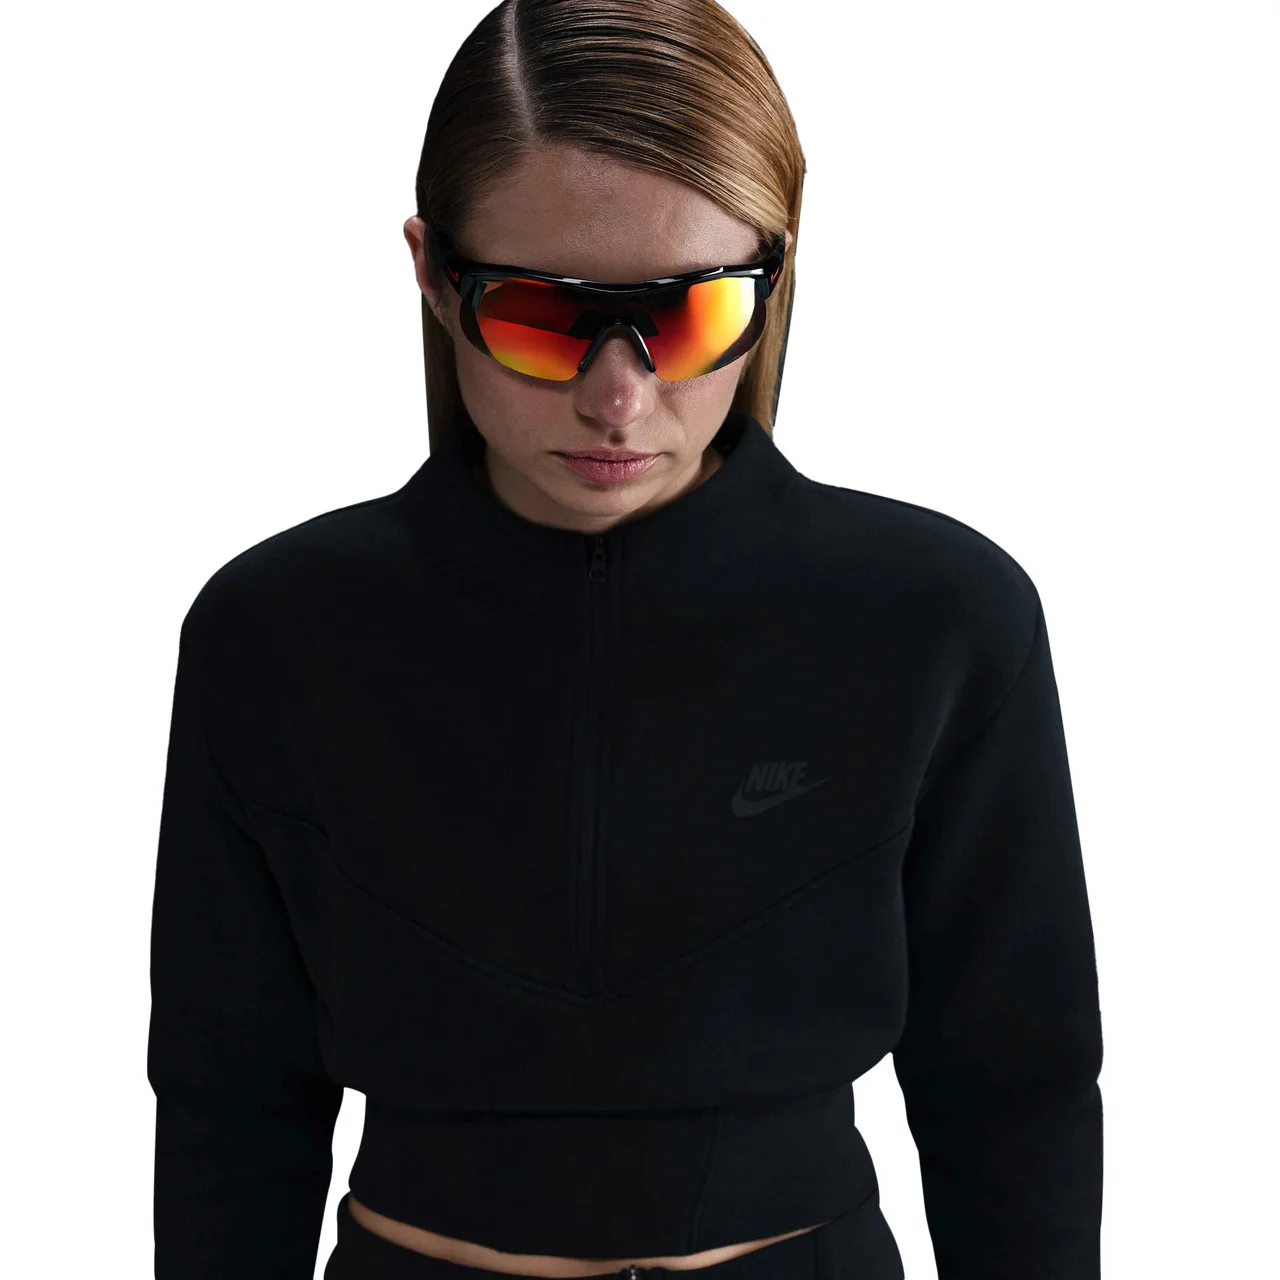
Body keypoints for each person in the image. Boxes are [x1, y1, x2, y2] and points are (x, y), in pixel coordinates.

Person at [146, 2, 1104, 1278]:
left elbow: (1014, 1090)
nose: (618, 395)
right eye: (543, 315)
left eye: (689, 316)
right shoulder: (273, 632)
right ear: (430, 272)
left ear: (774, 278)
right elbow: (226, 1103)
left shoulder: (941, 617)